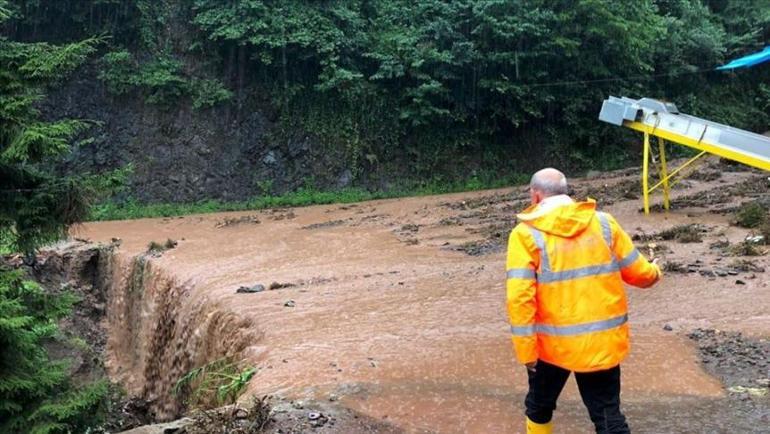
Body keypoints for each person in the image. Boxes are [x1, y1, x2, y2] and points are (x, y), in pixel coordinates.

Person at [505, 168, 661, 434]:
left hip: (551, 347)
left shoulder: (525, 234)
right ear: (567, 192)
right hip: (600, 343)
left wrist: (526, 353)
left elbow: (520, 298)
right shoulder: (603, 223)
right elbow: (641, 274)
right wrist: (656, 270)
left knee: (539, 406)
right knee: (607, 415)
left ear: (535, 195)